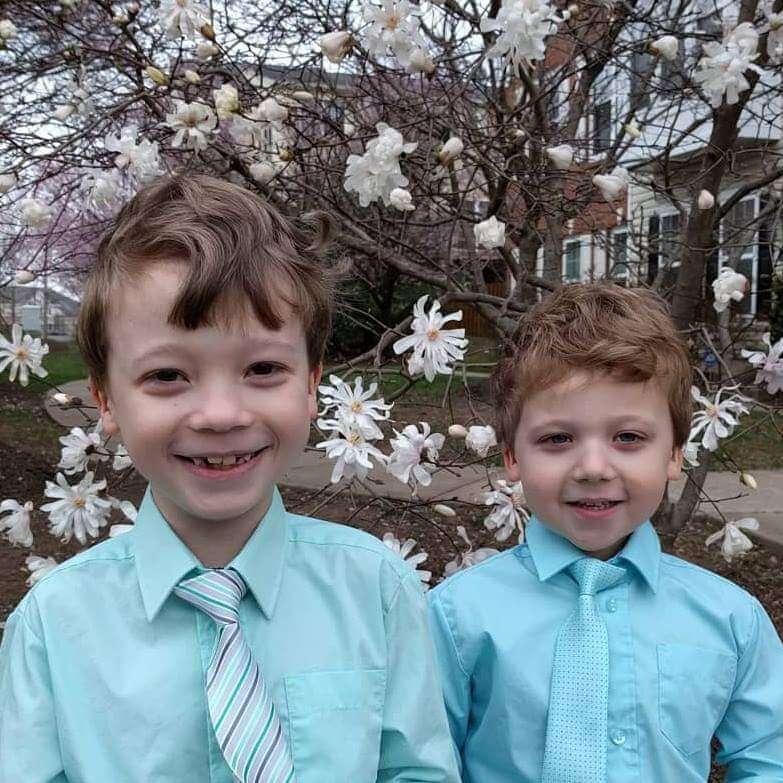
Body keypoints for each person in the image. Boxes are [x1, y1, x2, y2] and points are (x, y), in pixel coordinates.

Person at [0, 175, 460, 783]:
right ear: (105, 400)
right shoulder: (52, 627)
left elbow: (417, 770)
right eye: (167, 376)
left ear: (311, 384)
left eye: (263, 368)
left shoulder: (377, 591)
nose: (221, 415)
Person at [427, 282, 783, 782]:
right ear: (511, 456)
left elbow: (770, 760)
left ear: (675, 453)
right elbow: (422, 763)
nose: (593, 468)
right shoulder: (455, 617)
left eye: (628, 437)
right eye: (558, 439)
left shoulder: (731, 620)